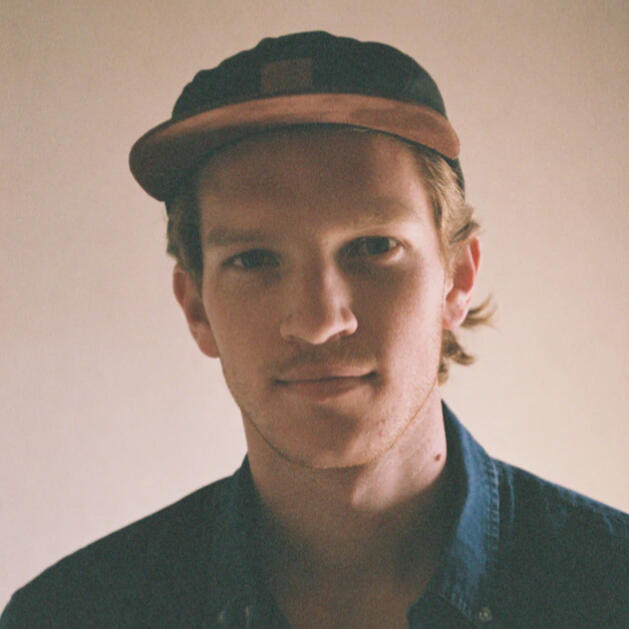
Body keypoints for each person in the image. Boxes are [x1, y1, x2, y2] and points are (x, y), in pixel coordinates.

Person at [2, 31, 627, 629]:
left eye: (374, 246)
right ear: (196, 308)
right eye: (254, 259)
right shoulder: (68, 617)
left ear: (457, 277)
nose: (321, 321)